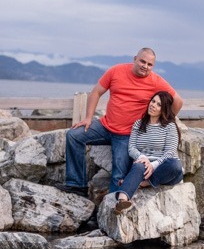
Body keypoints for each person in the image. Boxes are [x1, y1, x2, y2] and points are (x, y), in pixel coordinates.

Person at [60, 48, 183, 196]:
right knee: (73, 135)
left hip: (126, 135)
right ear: (135, 59)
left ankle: (112, 209)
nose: (145, 66)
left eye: (150, 64)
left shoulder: (156, 81)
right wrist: (88, 118)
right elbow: (96, 92)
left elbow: (177, 101)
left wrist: (162, 122)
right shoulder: (116, 71)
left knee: (118, 175)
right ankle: (76, 185)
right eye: (142, 61)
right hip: (105, 126)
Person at [113, 91, 183, 215]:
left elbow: (170, 152)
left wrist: (153, 165)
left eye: (159, 104)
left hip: (164, 169)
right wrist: (143, 158)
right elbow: (132, 148)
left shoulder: (169, 126)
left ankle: (143, 183)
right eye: (153, 101)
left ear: (164, 109)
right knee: (139, 164)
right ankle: (121, 201)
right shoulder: (138, 124)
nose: (153, 105)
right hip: (144, 166)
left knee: (175, 165)